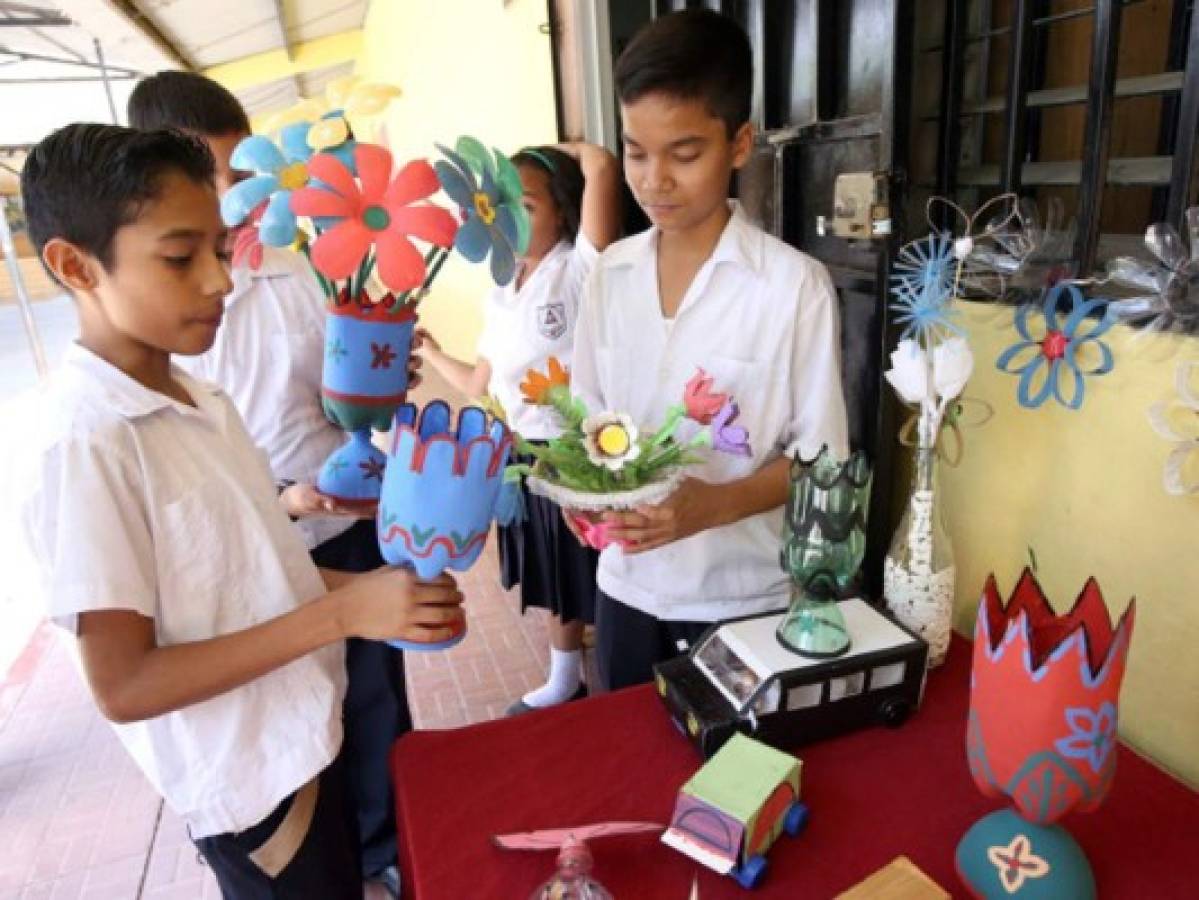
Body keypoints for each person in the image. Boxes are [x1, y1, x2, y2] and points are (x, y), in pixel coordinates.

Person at [9, 123, 464, 898]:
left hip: (305, 738)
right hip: (253, 792)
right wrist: (343, 617)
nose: (221, 280)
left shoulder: (200, 396)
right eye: (181, 257)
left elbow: (255, 566)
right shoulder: (85, 445)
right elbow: (125, 684)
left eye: (220, 249)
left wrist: (375, 597)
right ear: (74, 266)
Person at [126, 71, 410, 895]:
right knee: (297, 735)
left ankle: (390, 858)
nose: (231, 200)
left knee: (376, 712)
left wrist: (385, 363)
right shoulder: (161, 319)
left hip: (346, 529)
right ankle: (331, 865)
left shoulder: (309, 270)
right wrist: (285, 498)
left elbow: (352, 390)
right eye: (209, 177)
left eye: (240, 174)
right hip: (255, 556)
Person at [569, 9, 850, 690]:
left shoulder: (792, 288)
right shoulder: (610, 273)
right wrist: (580, 492)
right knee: (633, 780)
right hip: (625, 590)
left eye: (684, 153)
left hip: (741, 604)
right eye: (636, 151)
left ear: (739, 143)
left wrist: (711, 506)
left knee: (731, 787)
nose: (653, 180)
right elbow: (587, 414)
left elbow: (822, 464)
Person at [419, 142, 620, 713]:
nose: (513, 216)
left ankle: (608, 671)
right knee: (558, 573)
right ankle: (565, 680)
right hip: (527, 453)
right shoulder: (502, 290)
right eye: (505, 202)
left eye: (527, 204)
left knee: (601, 565)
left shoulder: (579, 268)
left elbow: (601, 164)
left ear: (560, 211)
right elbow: (476, 382)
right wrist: (431, 351)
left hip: (581, 452)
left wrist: (542, 150)